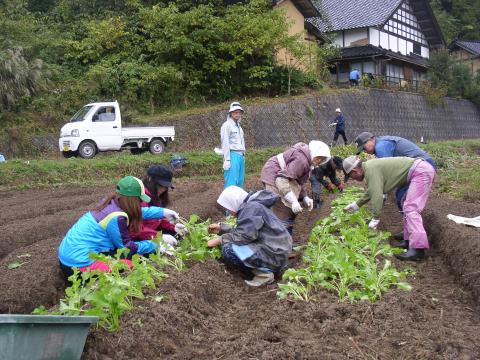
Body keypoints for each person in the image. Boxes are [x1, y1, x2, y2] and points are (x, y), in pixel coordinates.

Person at [58, 176, 180, 277]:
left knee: (134, 256)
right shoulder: (116, 218)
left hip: (68, 255)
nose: (141, 203)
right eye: (139, 199)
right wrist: (157, 244)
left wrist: (163, 212)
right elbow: (127, 248)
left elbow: (140, 211)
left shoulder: (114, 201)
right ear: (132, 200)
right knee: (137, 264)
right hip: (79, 266)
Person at [342, 156, 435, 261]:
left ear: (355, 171)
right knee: (407, 206)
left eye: (351, 176)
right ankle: (408, 240)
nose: (353, 179)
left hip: (421, 172)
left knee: (411, 209)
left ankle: (418, 249)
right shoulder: (370, 167)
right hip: (419, 170)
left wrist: (375, 218)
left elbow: (377, 195)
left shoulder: (371, 170)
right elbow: (372, 191)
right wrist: (356, 205)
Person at [207, 186, 292, 287]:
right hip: (276, 250)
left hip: (274, 254)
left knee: (229, 250)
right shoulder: (252, 206)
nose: (229, 211)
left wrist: (219, 239)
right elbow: (246, 232)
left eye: (228, 207)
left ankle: (264, 275)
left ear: (234, 202)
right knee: (234, 245)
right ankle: (266, 269)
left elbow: (244, 237)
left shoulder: (251, 209)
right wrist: (222, 229)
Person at [354, 132, 437, 215]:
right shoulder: (382, 143)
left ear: (371, 139)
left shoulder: (381, 147)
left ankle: (412, 224)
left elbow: (387, 173)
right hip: (418, 167)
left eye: (364, 148)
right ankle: (409, 224)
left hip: (422, 166)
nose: (365, 151)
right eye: (363, 150)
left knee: (403, 198)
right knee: (401, 196)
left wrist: (381, 194)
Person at [260, 141, 331, 235]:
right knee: (282, 208)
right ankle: (278, 240)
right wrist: (293, 201)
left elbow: (297, 182)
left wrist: (305, 197)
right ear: (314, 153)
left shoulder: (309, 163)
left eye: (322, 160)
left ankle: (286, 239)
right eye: (318, 158)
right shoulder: (302, 161)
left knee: (291, 210)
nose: (318, 161)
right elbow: (281, 179)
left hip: (282, 177)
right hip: (273, 174)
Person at [129, 165, 187, 245]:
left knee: (176, 235)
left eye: (165, 187)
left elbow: (158, 219)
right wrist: (157, 237)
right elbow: (134, 229)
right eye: (160, 185)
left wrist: (173, 227)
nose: (163, 190)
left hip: (148, 233)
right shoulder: (139, 197)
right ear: (149, 179)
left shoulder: (156, 197)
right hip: (134, 238)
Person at [221, 102, 246, 188]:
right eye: (235, 112)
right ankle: (228, 200)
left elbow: (242, 142)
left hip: (240, 155)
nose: (237, 114)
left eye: (239, 112)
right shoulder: (226, 125)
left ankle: (237, 200)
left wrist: (243, 155)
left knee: (240, 180)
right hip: (232, 155)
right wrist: (227, 159)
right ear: (231, 113)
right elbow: (225, 143)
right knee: (232, 180)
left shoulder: (239, 126)